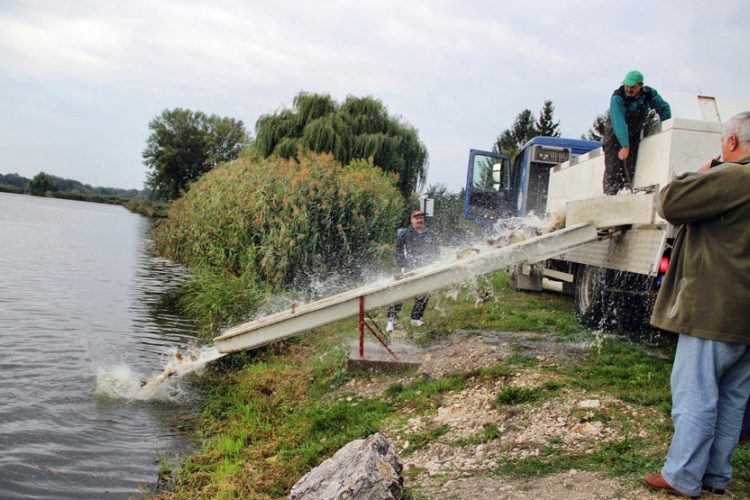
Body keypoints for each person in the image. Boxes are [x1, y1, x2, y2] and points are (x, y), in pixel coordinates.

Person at [643, 111, 750, 498]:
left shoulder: (735, 176)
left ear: (733, 143)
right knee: (733, 397)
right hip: (745, 315)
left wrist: (705, 172)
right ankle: (716, 476)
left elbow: (669, 201)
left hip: (714, 309)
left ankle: (683, 476)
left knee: (696, 392)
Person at [603, 70, 672, 195]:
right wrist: (625, 145)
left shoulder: (649, 95)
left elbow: (664, 108)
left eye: (633, 87)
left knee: (629, 170)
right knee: (612, 170)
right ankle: (609, 197)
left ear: (640, 85)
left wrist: (666, 128)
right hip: (614, 136)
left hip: (633, 135)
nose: (628, 89)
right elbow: (619, 123)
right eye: (627, 86)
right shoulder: (617, 97)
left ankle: (625, 196)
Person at [386, 210, 440, 332]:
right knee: (400, 294)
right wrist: (404, 263)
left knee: (424, 293)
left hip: (425, 267)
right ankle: (391, 320)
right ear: (411, 220)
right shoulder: (405, 234)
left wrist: (435, 262)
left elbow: (436, 250)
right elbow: (398, 251)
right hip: (408, 268)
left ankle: (416, 318)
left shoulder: (430, 233)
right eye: (417, 218)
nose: (420, 220)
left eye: (421, 218)